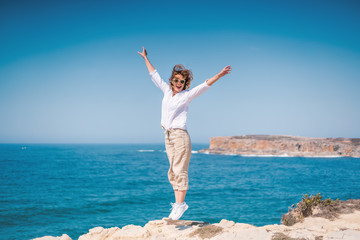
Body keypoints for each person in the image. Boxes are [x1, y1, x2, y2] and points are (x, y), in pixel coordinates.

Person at [138, 47, 231, 220]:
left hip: (180, 136)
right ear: (172, 81)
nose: (179, 83)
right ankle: (177, 205)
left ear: (185, 83)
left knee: (180, 170)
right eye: (176, 80)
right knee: (172, 171)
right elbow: (154, 74)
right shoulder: (166, 91)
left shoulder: (186, 96)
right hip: (168, 135)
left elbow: (205, 85)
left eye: (182, 81)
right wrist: (145, 58)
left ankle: (181, 205)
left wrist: (219, 75)